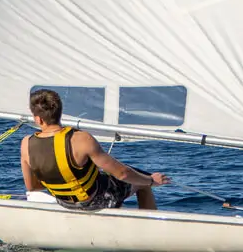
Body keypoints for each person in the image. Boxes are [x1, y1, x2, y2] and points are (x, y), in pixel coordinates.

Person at [20, 89, 169, 210]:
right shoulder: (81, 139)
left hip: (64, 202)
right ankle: (146, 233)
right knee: (141, 180)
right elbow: (123, 174)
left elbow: (32, 186)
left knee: (109, 180)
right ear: (59, 112)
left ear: (38, 119)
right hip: (96, 200)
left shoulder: (26, 144)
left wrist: (62, 188)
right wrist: (151, 181)